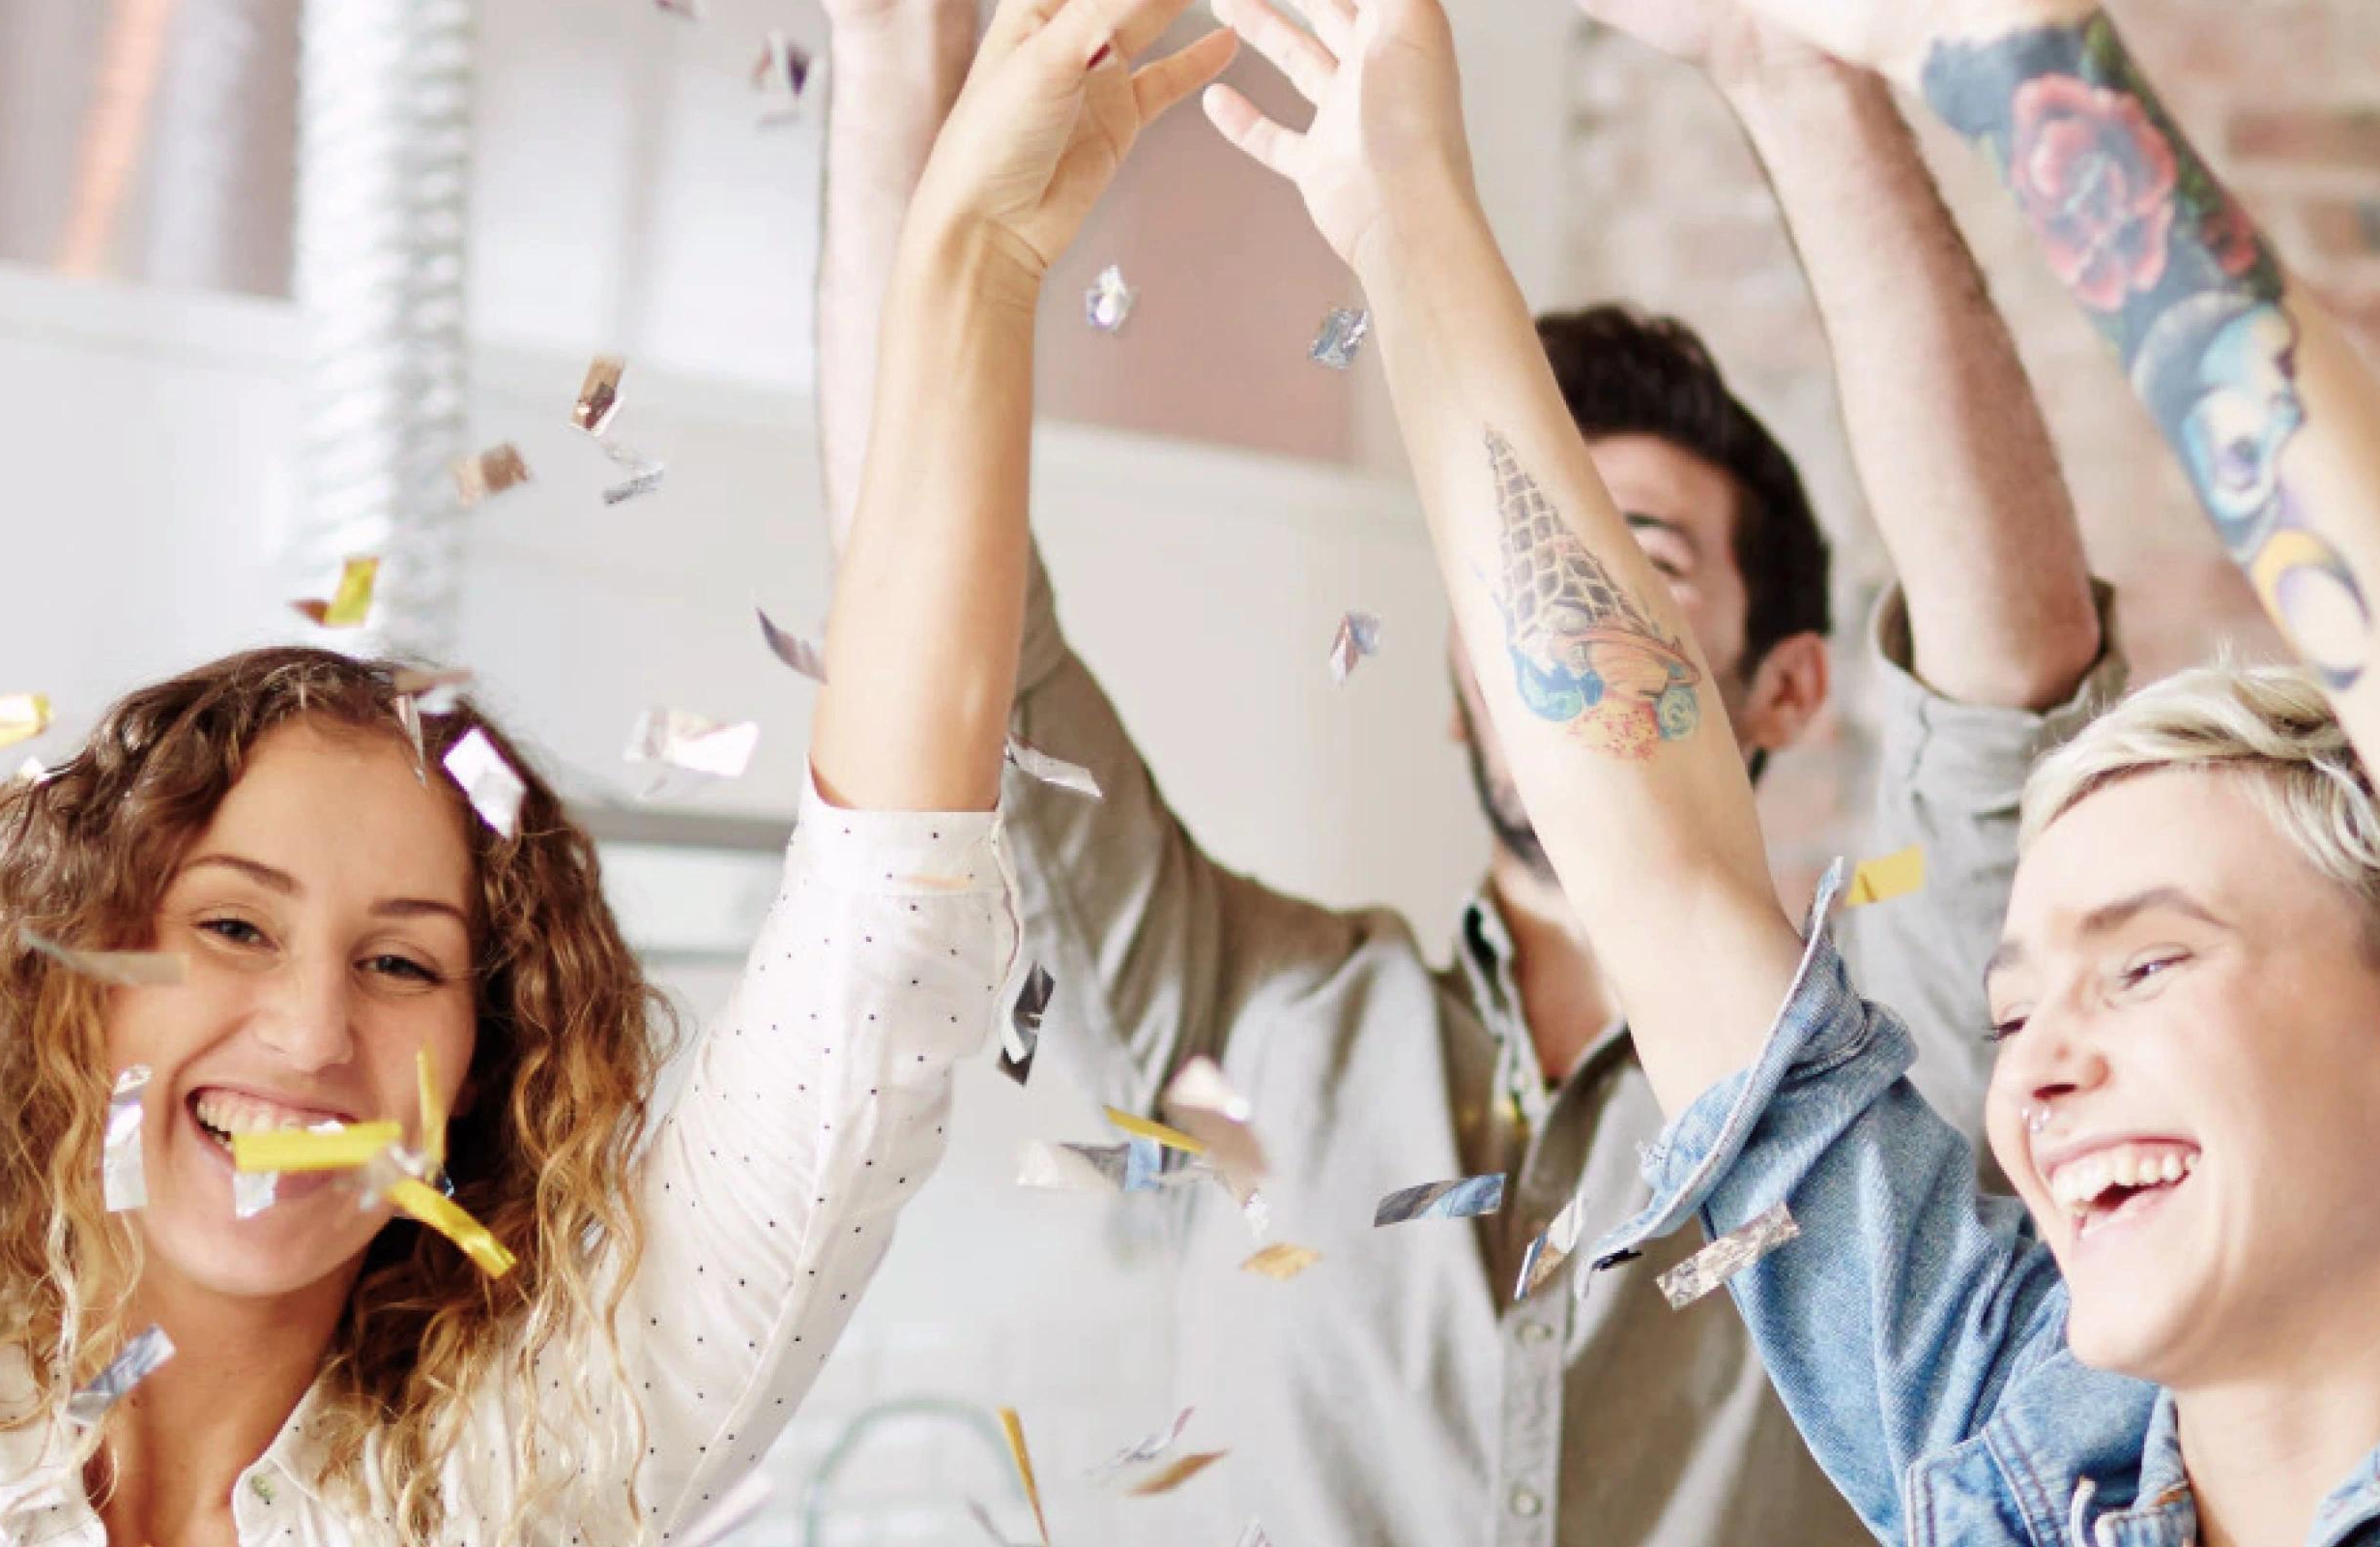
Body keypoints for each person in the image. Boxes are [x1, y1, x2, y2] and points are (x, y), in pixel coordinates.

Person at [0, 0, 1234, 1540]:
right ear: (79, 981)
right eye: (230, 925)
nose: (307, 1035)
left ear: (480, 1083)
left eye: (405, 961)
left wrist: (977, 261)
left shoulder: (519, 1480)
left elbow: (881, 960)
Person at [1198, 0, 2380, 1539]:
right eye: (2013, 1007)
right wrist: (1402, 214)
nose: (2032, 1071)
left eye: (2149, 963)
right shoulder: (2007, 1439)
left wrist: (2024, 68)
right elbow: (1665, 880)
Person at [811, 0, 2111, 1538]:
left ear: (1789, 686)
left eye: (1643, 568)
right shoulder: (1253, 1018)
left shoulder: (1901, 1068)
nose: (1550, 629)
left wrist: (1790, 70)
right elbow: (946, 637)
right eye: (1516, 590)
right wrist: (894, 67)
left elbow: (2006, 687)